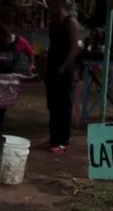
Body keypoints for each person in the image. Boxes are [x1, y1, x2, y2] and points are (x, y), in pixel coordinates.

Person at [0, 25, 33, 138]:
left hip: (7, 83)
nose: (4, 40)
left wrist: (31, 66)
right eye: (1, 38)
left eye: (6, 38)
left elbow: (30, 51)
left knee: (1, 108)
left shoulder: (18, 41)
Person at [45, 0, 80, 154]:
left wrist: (63, 66)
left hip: (65, 69)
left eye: (52, 4)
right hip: (52, 67)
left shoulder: (70, 22)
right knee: (52, 104)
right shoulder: (53, 22)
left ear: (59, 4)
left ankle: (63, 141)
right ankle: (54, 138)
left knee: (64, 104)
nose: (50, 7)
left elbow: (74, 48)